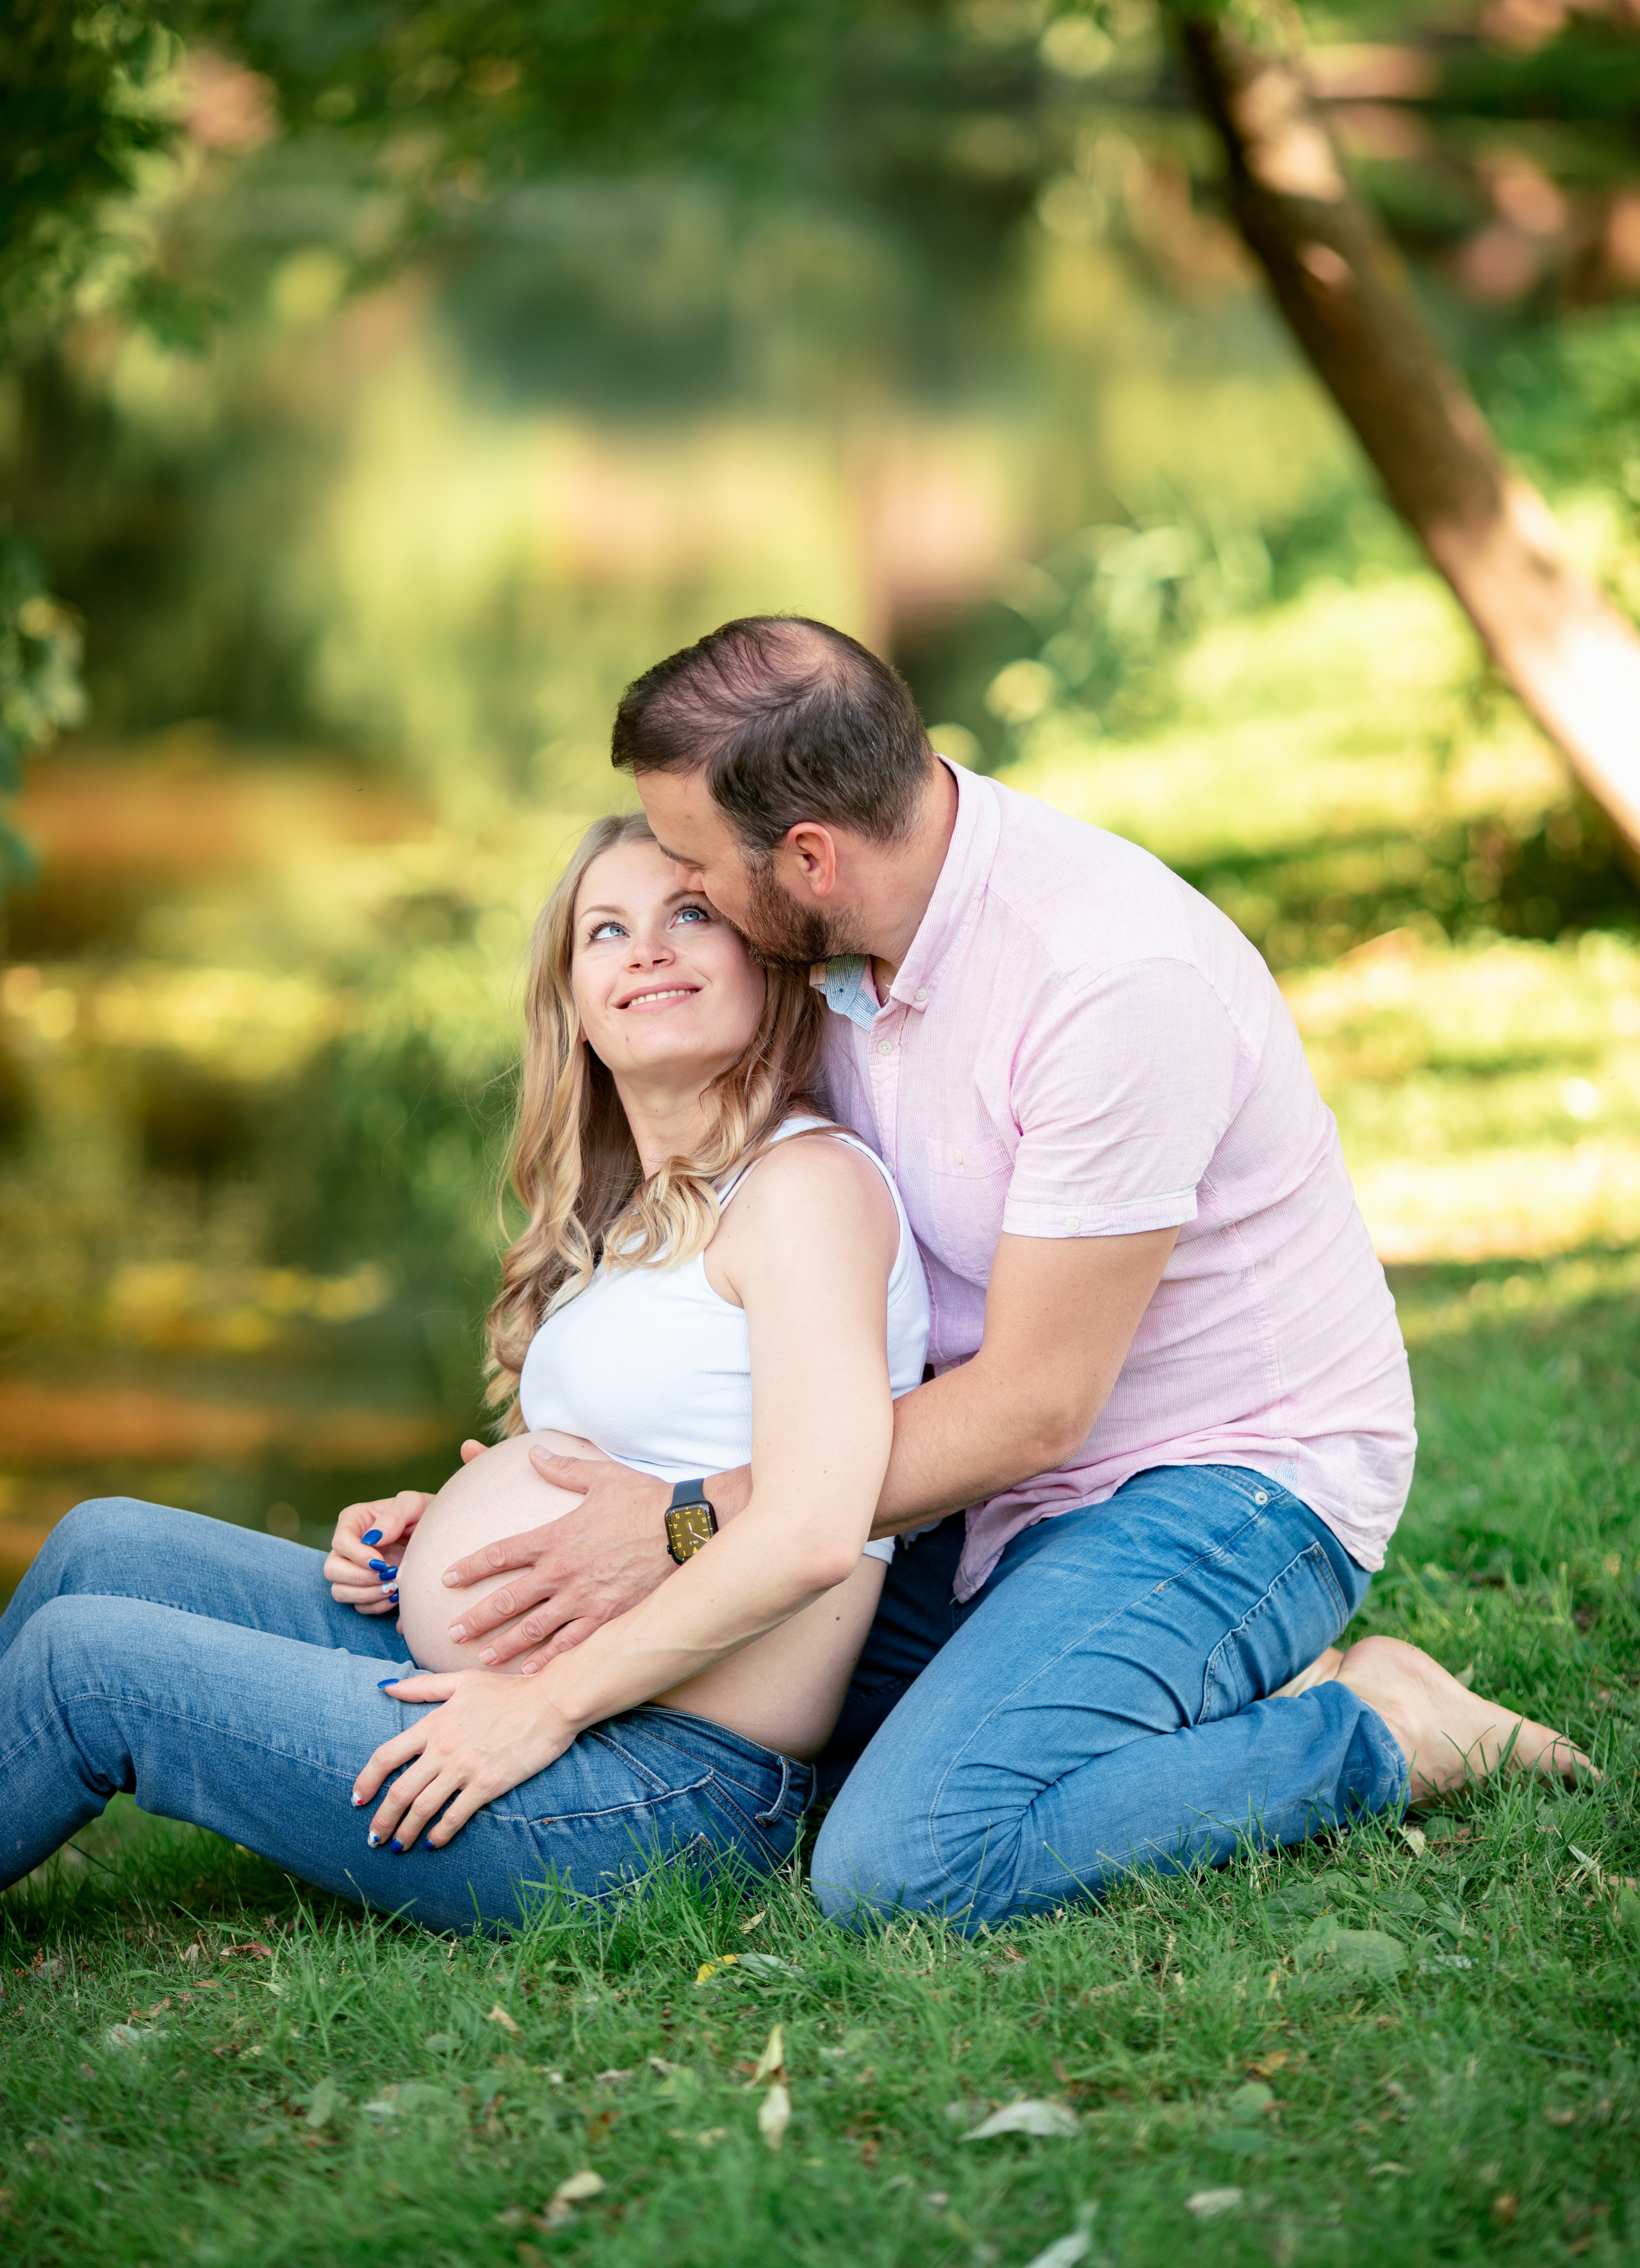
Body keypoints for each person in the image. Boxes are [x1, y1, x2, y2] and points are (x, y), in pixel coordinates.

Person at [431, 614, 1593, 1929]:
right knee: (762, 1714)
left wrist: (692, 1514)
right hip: (975, 1496)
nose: (681, 901)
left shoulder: (1105, 981)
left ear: (806, 855)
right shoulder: (835, 946)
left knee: (904, 1858)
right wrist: (514, 1504)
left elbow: (1038, 1404)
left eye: (697, 871)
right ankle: (1178, 1681)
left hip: (1225, 1484)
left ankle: (1378, 1727)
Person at [0, 814, 931, 1929]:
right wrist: (443, 1529)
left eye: (692, 914)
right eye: (607, 930)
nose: (647, 949)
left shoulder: (806, 1190)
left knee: (87, 1668)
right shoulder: (640, 1210)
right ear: (574, 1004)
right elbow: (648, 1454)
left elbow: (811, 1531)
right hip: (549, 1698)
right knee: (103, 1540)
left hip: (663, 1783)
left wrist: (540, 1705)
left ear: (764, 964)